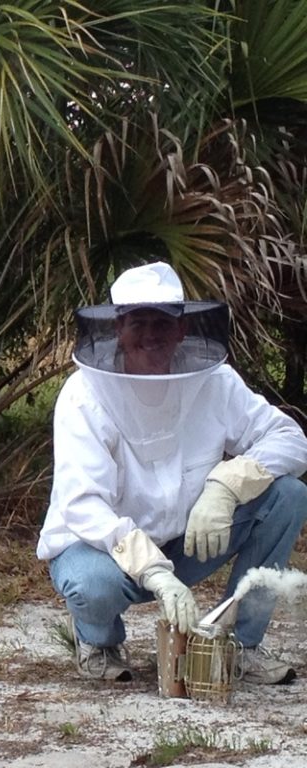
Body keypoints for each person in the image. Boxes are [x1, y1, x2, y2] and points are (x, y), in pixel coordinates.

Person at [37, 261, 307, 683]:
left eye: (163, 322)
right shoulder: (83, 395)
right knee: (93, 584)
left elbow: (290, 439)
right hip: (102, 552)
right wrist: (154, 571)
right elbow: (83, 504)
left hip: (186, 543)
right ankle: (98, 640)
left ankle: (241, 645)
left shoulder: (215, 382)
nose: (151, 335)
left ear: (182, 329)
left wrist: (226, 486)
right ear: (117, 328)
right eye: (138, 322)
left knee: (288, 496)